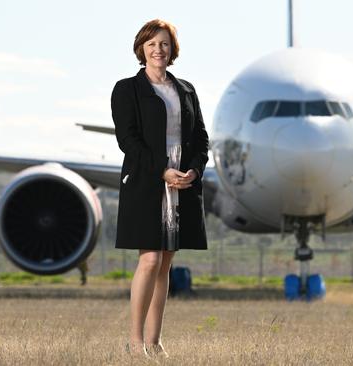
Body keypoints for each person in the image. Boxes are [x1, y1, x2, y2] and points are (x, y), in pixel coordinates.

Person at [111, 19, 209, 357]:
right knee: (150, 258)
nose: (158, 50)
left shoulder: (186, 90)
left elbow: (201, 139)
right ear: (142, 48)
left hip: (182, 181)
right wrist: (163, 171)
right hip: (146, 180)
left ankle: (155, 342)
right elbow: (129, 141)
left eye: (164, 44)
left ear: (172, 50)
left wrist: (193, 171)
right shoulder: (127, 89)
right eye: (152, 44)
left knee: (166, 262)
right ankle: (135, 342)